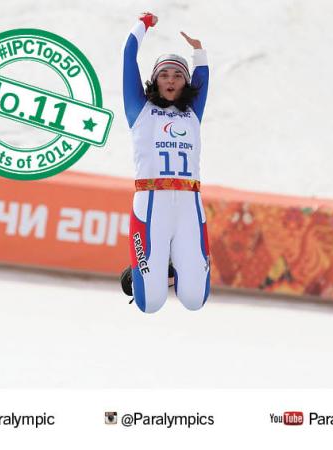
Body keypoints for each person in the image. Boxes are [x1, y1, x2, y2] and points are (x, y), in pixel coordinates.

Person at [122, 12, 210, 313]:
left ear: (186, 83)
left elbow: (203, 76)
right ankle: (142, 271)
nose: (170, 80)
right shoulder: (139, 109)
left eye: (177, 76)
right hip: (151, 203)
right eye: (164, 75)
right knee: (151, 303)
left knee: (194, 300)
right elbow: (128, 57)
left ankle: (171, 262)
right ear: (154, 80)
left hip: (189, 204)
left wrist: (199, 52)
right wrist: (143, 24)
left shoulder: (193, 113)